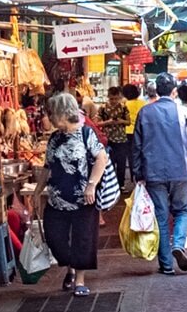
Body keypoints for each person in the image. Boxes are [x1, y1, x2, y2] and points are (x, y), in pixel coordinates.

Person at [131, 72, 187, 275]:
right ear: (175, 91)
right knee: (182, 211)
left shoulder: (145, 113)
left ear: (156, 91)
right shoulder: (184, 112)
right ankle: (178, 244)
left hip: (154, 172)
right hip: (181, 171)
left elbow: (136, 146)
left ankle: (166, 265)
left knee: (160, 216)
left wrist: (137, 172)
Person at [32, 93, 107, 297]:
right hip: (56, 198)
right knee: (55, 238)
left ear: (63, 113)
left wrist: (91, 185)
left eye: (52, 113)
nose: (50, 118)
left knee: (83, 240)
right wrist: (38, 191)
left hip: (83, 198)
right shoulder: (55, 139)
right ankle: (70, 267)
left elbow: (102, 158)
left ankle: (79, 279)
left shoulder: (86, 134)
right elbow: (47, 167)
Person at [99, 87, 131, 185]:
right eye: (112, 99)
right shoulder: (103, 108)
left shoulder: (123, 107)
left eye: (116, 99)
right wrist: (108, 122)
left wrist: (121, 121)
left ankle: (121, 184)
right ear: (108, 97)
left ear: (119, 97)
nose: (114, 101)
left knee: (121, 164)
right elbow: (98, 123)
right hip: (108, 140)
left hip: (121, 139)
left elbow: (128, 122)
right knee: (109, 164)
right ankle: (110, 185)